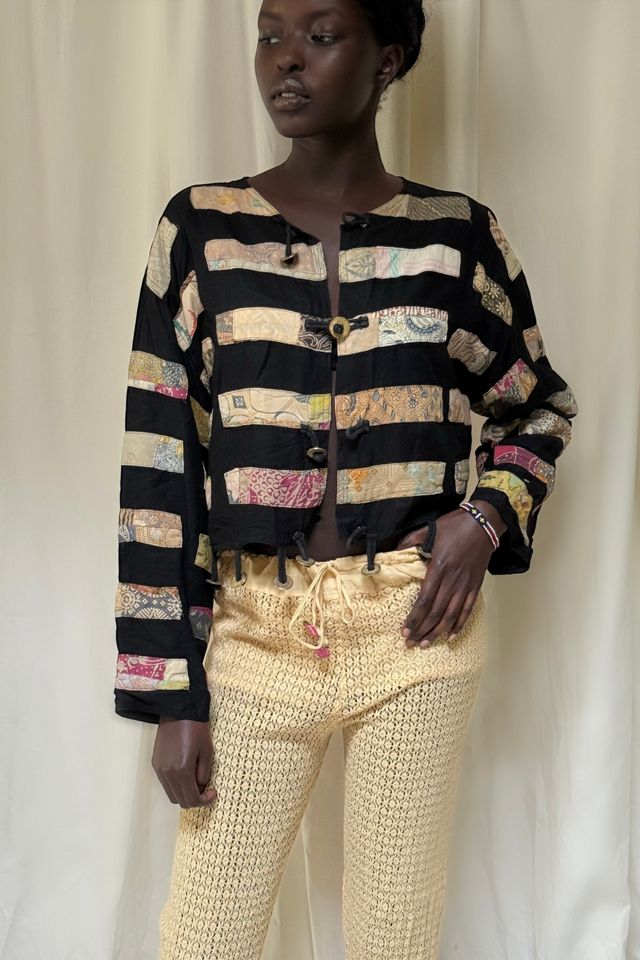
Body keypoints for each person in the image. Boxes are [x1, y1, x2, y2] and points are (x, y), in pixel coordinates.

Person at [112, 0, 578, 956]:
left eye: (320, 36)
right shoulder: (200, 230)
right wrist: (172, 692)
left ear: (388, 59)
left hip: (416, 631)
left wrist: (484, 520)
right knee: (205, 936)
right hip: (254, 629)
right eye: (269, 34)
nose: (286, 60)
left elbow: (538, 408)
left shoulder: (458, 238)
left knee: (392, 938)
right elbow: (160, 462)